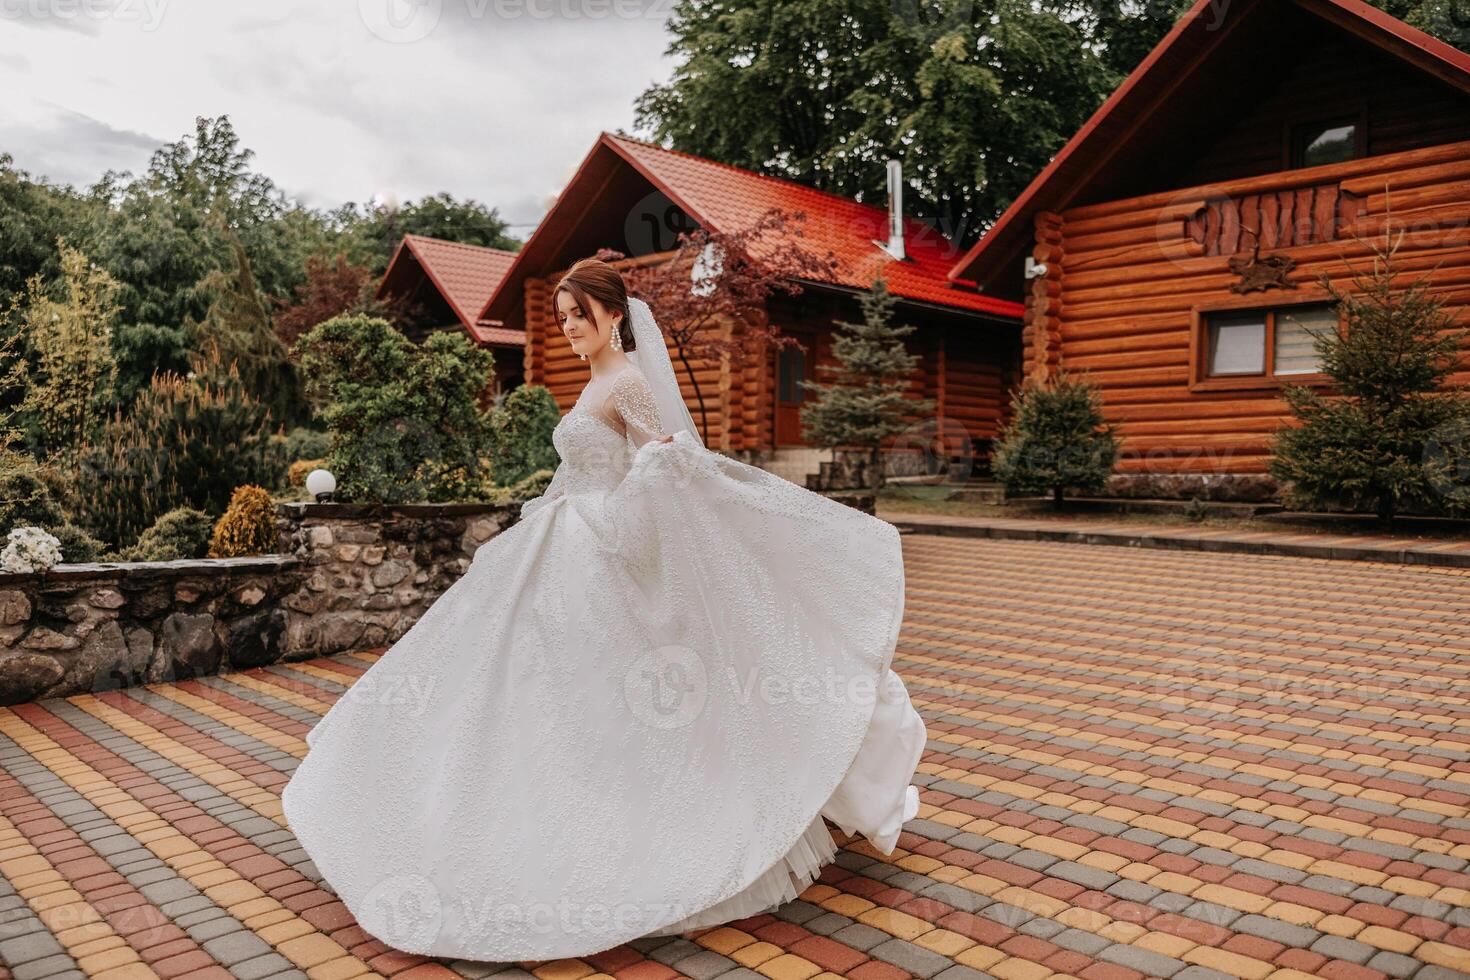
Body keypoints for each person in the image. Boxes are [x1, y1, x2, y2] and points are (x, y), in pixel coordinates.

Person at [280, 257, 927, 963]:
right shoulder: (595, 382)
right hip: (565, 544)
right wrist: (551, 507)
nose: (567, 329)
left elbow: (669, 466)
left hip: (601, 551)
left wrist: (632, 495)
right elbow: (585, 466)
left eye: (578, 316)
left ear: (614, 315)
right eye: (560, 318)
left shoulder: (628, 383)